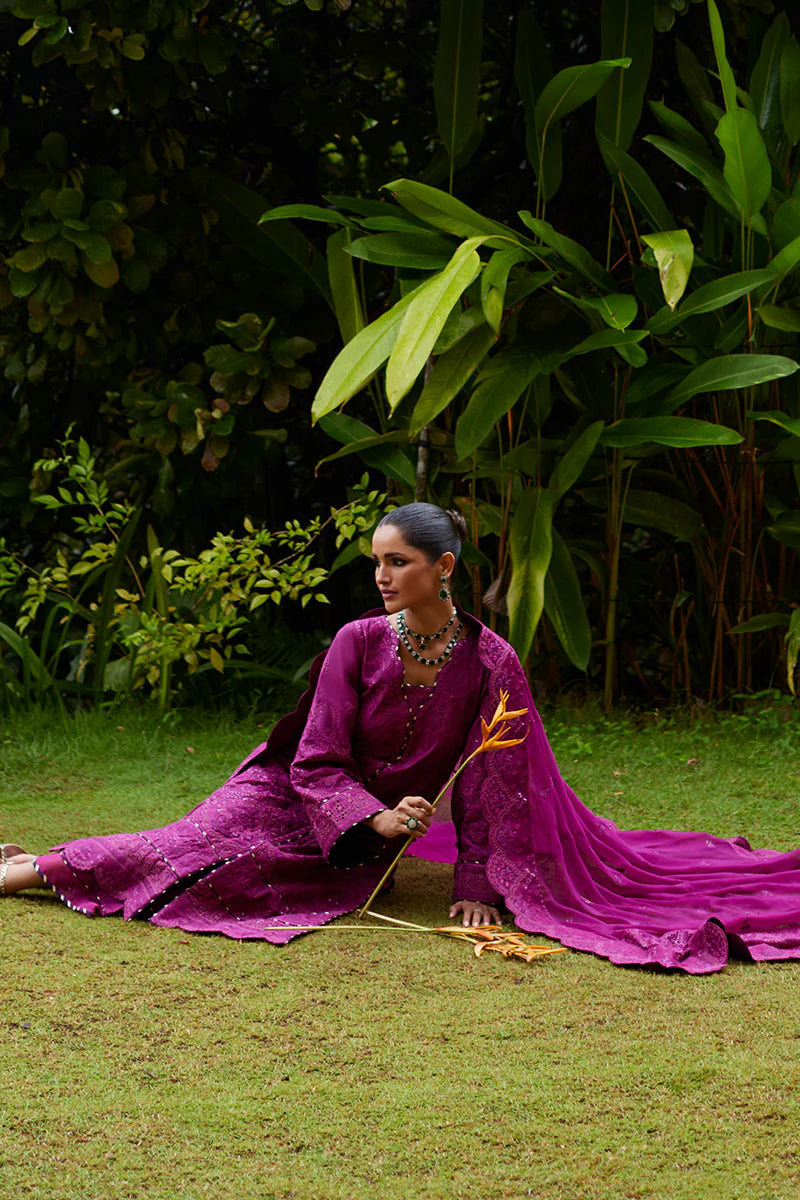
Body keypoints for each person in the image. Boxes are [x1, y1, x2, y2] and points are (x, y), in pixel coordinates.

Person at [4, 502, 800, 976]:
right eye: (377, 562)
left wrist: (477, 883)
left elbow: (497, 783)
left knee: (240, 875)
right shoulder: (356, 640)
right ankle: (27, 871)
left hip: (371, 827)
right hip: (298, 795)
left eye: (399, 561)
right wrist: (373, 818)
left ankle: (33, 863)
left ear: (442, 567)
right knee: (190, 845)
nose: (382, 576)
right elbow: (314, 757)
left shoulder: (493, 660)